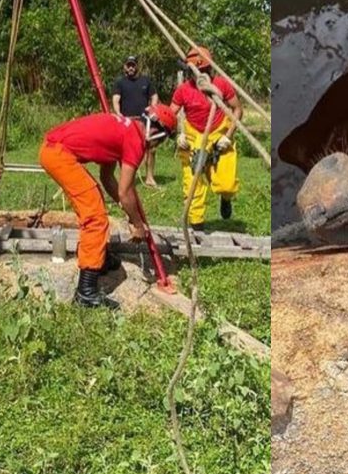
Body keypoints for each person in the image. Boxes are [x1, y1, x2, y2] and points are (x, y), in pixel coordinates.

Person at [39, 104, 177, 309]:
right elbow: (124, 191)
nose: (158, 144)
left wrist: (129, 213)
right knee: (95, 218)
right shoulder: (135, 140)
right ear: (155, 130)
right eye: (163, 138)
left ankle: (98, 258)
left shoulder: (127, 128)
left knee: (95, 201)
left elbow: (107, 178)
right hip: (58, 154)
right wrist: (137, 223)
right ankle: (86, 293)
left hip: (54, 149)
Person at [171, 45, 242, 231]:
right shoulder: (183, 91)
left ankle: (225, 199)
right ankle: (197, 226)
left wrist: (228, 136)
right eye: (196, 71)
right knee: (193, 184)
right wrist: (179, 135)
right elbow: (170, 115)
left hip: (218, 132)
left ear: (210, 67)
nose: (200, 74)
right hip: (194, 136)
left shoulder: (221, 84)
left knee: (226, 183)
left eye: (203, 70)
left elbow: (237, 109)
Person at [112, 55, 160, 187]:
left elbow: (154, 96)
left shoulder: (146, 81)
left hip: (145, 120)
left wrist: (152, 109)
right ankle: (127, 179)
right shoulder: (120, 82)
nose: (131, 68)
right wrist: (118, 114)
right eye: (129, 65)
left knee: (151, 148)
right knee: (125, 150)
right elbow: (116, 100)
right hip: (127, 121)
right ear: (125, 67)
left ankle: (149, 177)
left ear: (137, 66)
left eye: (133, 65)